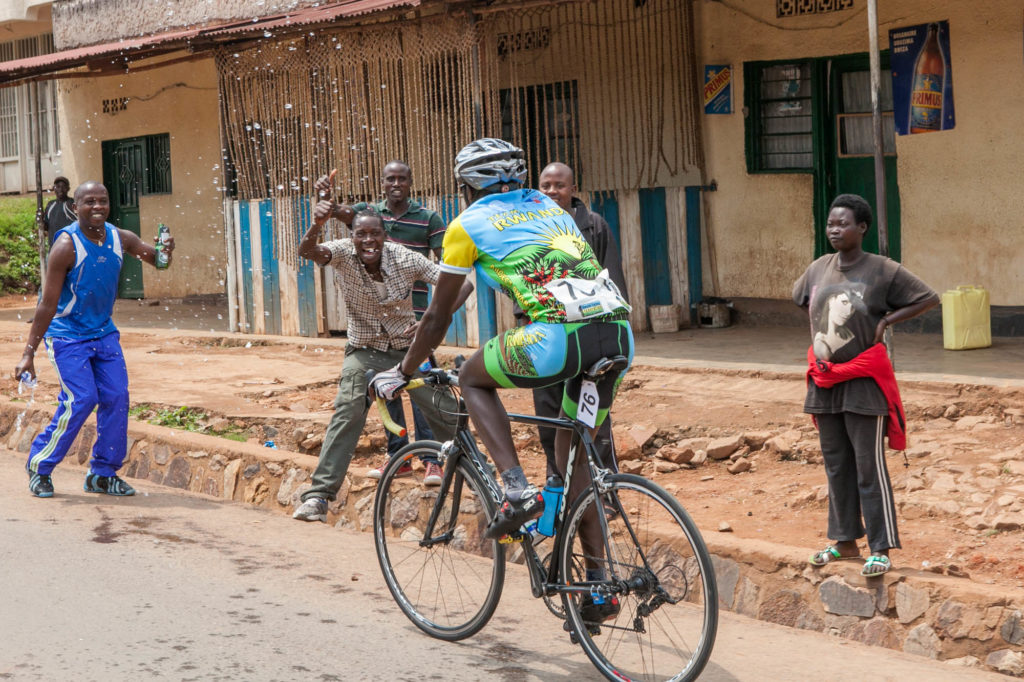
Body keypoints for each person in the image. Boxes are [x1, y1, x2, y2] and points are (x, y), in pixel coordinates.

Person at [370, 139, 632, 618]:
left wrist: (403, 370)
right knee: (574, 468)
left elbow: (436, 317)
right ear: (521, 176)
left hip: (556, 339)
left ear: (465, 187)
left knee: (471, 377)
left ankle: (513, 488)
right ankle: (598, 588)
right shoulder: (545, 204)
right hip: (616, 337)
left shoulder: (465, 224)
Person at [291, 186, 472, 523]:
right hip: (365, 352)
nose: (368, 240)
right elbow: (307, 251)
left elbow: (462, 285)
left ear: (385, 236)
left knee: (445, 410)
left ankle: (479, 476)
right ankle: (318, 497)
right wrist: (317, 224)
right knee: (348, 410)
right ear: (353, 236)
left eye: (375, 233)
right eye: (361, 234)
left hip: (408, 352)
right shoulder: (342, 252)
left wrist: (431, 322)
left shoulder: (406, 258)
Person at [794, 193, 938, 577]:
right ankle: (844, 541)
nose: (835, 230)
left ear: (862, 228)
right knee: (836, 465)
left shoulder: (882, 270)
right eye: (830, 223)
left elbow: (928, 297)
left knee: (868, 467)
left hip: (864, 384)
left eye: (843, 224)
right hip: (825, 382)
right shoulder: (817, 269)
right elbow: (801, 300)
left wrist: (886, 321)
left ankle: (880, 547)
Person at [15, 181, 175, 498]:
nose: (98, 206)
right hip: (67, 336)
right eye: (89, 202)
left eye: (103, 200)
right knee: (81, 399)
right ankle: (40, 466)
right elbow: (47, 305)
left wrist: (166, 251)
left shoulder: (121, 237)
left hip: (103, 333)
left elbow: (158, 261)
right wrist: (28, 353)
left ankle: (102, 474)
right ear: (76, 208)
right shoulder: (66, 246)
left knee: (116, 397)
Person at [315, 161, 447, 479]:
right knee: (387, 392)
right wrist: (325, 201)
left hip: (415, 319)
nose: (396, 183)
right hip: (376, 324)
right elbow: (343, 214)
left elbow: (445, 266)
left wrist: (436, 314)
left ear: (411, 181)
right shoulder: (369, 212)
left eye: (402, 178)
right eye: (390, 179)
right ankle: (398, 456)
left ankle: (431, 457)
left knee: (421, 391)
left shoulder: (428, 218)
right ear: (383, 182)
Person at [531, 161, 629, 478]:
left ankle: (605, 493)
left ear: (573, 189)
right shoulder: (531, 228)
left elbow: (612, 278)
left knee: (592, 418)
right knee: (549, 416)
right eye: (545, 186)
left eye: (559, 185)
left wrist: (614, 326)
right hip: (545, 334)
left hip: (588, 336)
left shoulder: (594, 226)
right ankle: (557, 487)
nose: (551, 192)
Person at [40, 176, 76, 246]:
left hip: (69, 247)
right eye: (58, 187)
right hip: (54, 247)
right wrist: (41, 220)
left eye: (64, 187)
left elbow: (79, 225)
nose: (61, 189)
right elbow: (46, 227)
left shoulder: (72, 204)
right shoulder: (50, 205)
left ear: (68, 189)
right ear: (54, 189)